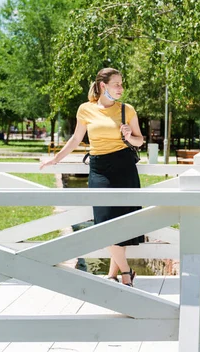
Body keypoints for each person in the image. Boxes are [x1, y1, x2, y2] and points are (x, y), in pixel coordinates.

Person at [41, 67, 144, 287]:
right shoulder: (85, 109)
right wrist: (56, 159)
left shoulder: (127, 110)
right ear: (102, 86)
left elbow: (140, 141)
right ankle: (127, 272)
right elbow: (76, 139)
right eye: (116, 84)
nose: (121, 88)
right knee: (103, 222)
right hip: (99, 168)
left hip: (124, 166)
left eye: (122, 83)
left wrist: (129, 136)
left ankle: (112, 274)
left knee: (122, 223)